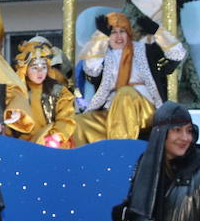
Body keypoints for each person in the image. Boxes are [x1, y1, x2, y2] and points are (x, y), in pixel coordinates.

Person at [73, 12, 186, 144]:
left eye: (122, 31)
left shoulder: (145, 51)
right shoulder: (105, 56)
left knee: (125, 94)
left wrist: (158, 32)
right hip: (111, 111)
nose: (118, 36)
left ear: (129, 33)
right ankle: (84, 162)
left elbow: (177, 54)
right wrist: (100, 37)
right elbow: (91, 69)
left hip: (145, 111)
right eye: (113, 32)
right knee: (79, 123)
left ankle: (121, 153)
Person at [13, 38, 76, 148]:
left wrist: (56, 136)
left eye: (43, 67)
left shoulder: (59, 91)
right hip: (24, 145)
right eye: (34, 67)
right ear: (25, 70)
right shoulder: (17, 92)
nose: (40, 71)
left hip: (53, 143)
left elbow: (66, 117)